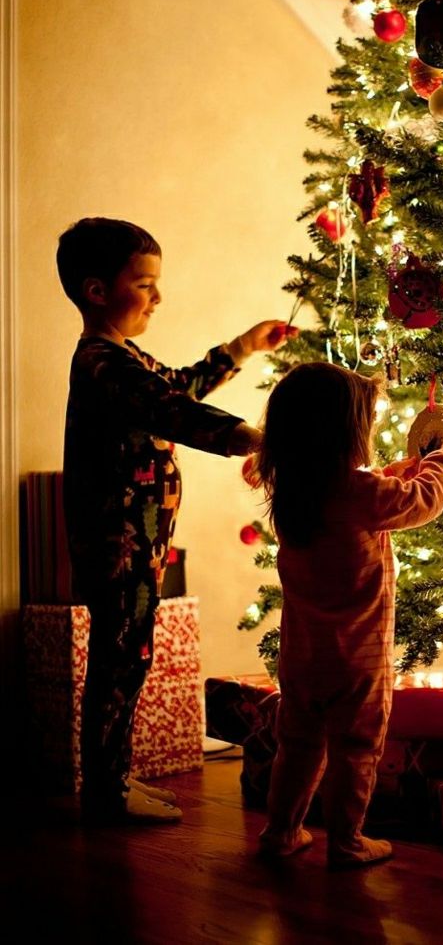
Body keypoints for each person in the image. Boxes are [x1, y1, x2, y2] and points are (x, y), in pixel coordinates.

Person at [57, 216, 296, 825]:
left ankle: (114, 781)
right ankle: (107, 791)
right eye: (145, 284)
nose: (158, 297)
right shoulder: (101, 364)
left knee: (128, 656)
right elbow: (171, 410)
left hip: (140, 539)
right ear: (97, 291)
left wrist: (243, 347)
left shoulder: (125, 356)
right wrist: (254, 439)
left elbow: (178, 386)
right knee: (120, 659)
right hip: (118, 543)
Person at [256, 362, 443, 869]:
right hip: (359, 660)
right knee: (355, 748)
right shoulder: (362, 496)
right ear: (345, 433)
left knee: (298, 746)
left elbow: (364, 493)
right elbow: (422, 501)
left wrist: (393, 471)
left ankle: (281, 832)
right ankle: (347, 841)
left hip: (303, 657)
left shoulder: (295, 493)